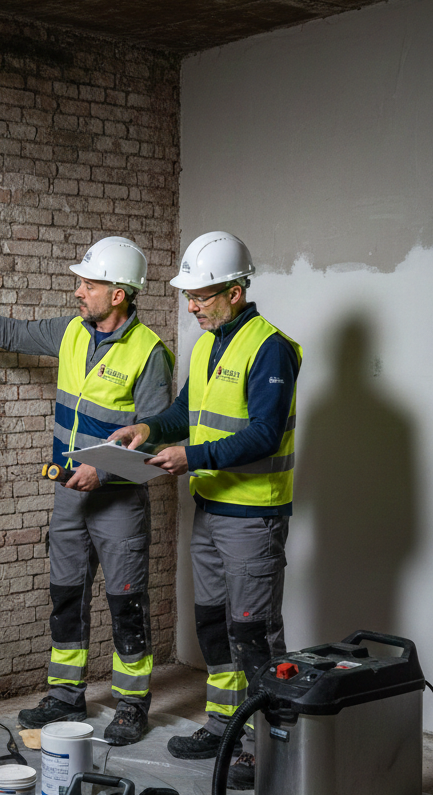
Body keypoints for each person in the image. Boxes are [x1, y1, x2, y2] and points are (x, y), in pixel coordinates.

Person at [0, 237, 174, 746]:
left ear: (119, 294)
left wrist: (103, 475)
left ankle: (131, 703)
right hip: (68, 495)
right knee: (66, 595)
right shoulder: (70, 332)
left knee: (126, 602)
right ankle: (65, 695)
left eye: (88, 283)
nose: (78, 291)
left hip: (118, 500)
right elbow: (13, 331)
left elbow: (156, 434)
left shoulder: (150, 353)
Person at [108, 231, 301, 790]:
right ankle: (224, 727)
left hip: (253, 517)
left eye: (201, 295)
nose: (190, 305)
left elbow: (264, 434)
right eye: (188, 295)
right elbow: (189, 410)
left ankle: (264, 746)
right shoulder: (209, 342)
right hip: (211, 509)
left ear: (236, 291)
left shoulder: (270, 347)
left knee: (255, 634)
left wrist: (191, 455)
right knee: (214, 626)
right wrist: (150, 427)